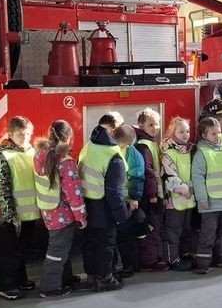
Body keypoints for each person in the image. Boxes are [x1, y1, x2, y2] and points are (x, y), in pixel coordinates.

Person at [33, 120, 87, 298]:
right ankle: (50, 288)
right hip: (63, 214)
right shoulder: (65, 161)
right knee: (57, 252)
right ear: (68, 136)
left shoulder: (40, 155)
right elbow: (73, 193)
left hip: (48, 211)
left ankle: (65, 278)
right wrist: (81, 216)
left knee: (62, 249)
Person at [0, 116, 40, 300]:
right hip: (15, 214)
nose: (25, 137)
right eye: (21, 134)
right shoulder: (4, 156)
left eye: (28, 134)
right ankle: (7, 286)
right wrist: (9, 213)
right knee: (10, 252)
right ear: (10, 134)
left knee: (22, 250)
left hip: (30, 212)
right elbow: (2, 186)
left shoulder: (32, 152)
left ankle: (21, 279)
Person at [78, 114, 128, 292]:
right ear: (114, 130)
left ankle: (92, 276)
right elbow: (115, 192)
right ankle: (105, 279)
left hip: (87, 202)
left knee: (91, 242)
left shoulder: (90, 144)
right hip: (103, 206)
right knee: (106, 244)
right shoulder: (113, 155)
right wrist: (122, 215)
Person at [190, 117, 222, 274]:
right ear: (204, 135)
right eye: (213, 134)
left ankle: (219, 256)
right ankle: (203, 262)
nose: (218, 136)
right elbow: (197, 178)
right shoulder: (201, 154)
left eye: (219, 133)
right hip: (209, 203)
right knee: (208, 233)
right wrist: (202, 198)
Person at [134, 108, 168, 272]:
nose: (155, 128)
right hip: (150, 197)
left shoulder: (150, 142)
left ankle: (153, 258)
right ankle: (149, 261)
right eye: (151, 125)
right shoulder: (144, 145)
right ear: (141, 125)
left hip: (153, 194)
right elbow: (148, 172)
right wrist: (153, 194)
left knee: (155, 227)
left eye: (157, 124)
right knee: (152, 229)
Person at [160, 116, 196, 270]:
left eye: (187, 131)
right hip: (174, 202)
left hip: (188, 200)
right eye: (181, 132)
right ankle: (173, 259)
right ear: (172, 133)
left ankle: (185, 253)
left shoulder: (189, 151)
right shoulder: (168, 153)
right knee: (173, 231)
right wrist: (185, 190)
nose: (185, 134)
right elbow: (168, 176)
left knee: (187, 230)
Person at [113, 124, 146, 277]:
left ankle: (129, 266)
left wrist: (134, 198)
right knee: (122, 236)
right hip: (121, 200)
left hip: (125, 201)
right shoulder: (129, 152)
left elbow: (137, 177)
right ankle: (125, 266)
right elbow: (137, 176)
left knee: (125, 236)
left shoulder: (130, 153)